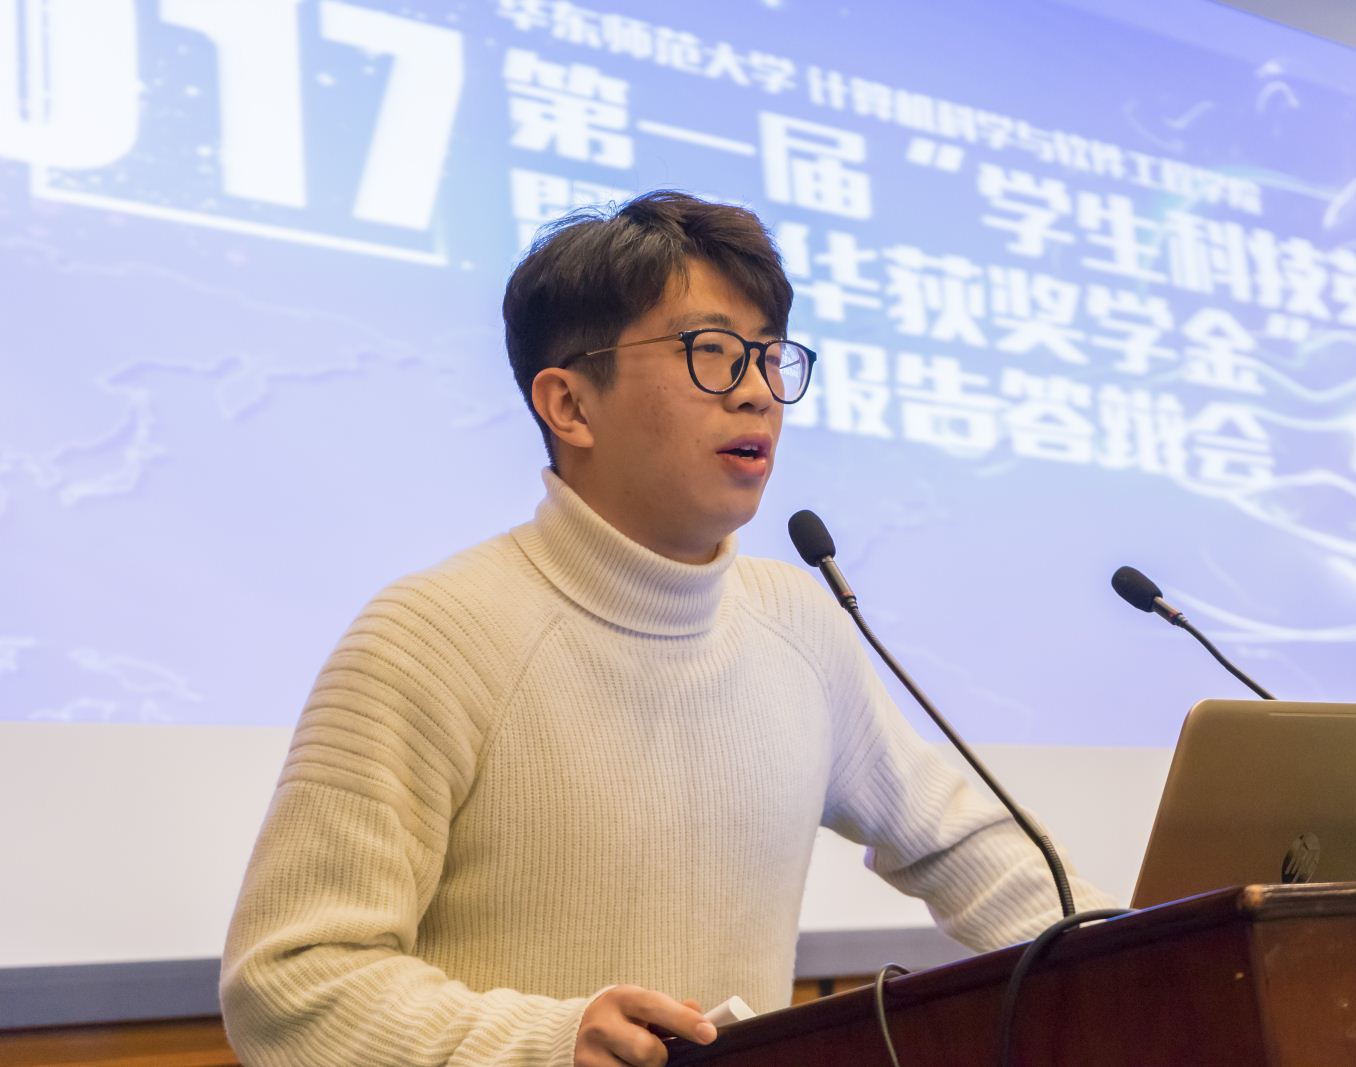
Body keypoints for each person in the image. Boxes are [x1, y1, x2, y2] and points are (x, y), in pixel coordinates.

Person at [220, 190, 1113, 1067]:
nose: (757, 393)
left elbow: (972, 849)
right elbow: (290, 982)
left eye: (769, 357)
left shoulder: (799, 622)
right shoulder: (432, 635)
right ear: (570, 405)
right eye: (711, 352)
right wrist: (547, 1043)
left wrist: (1138, 956)